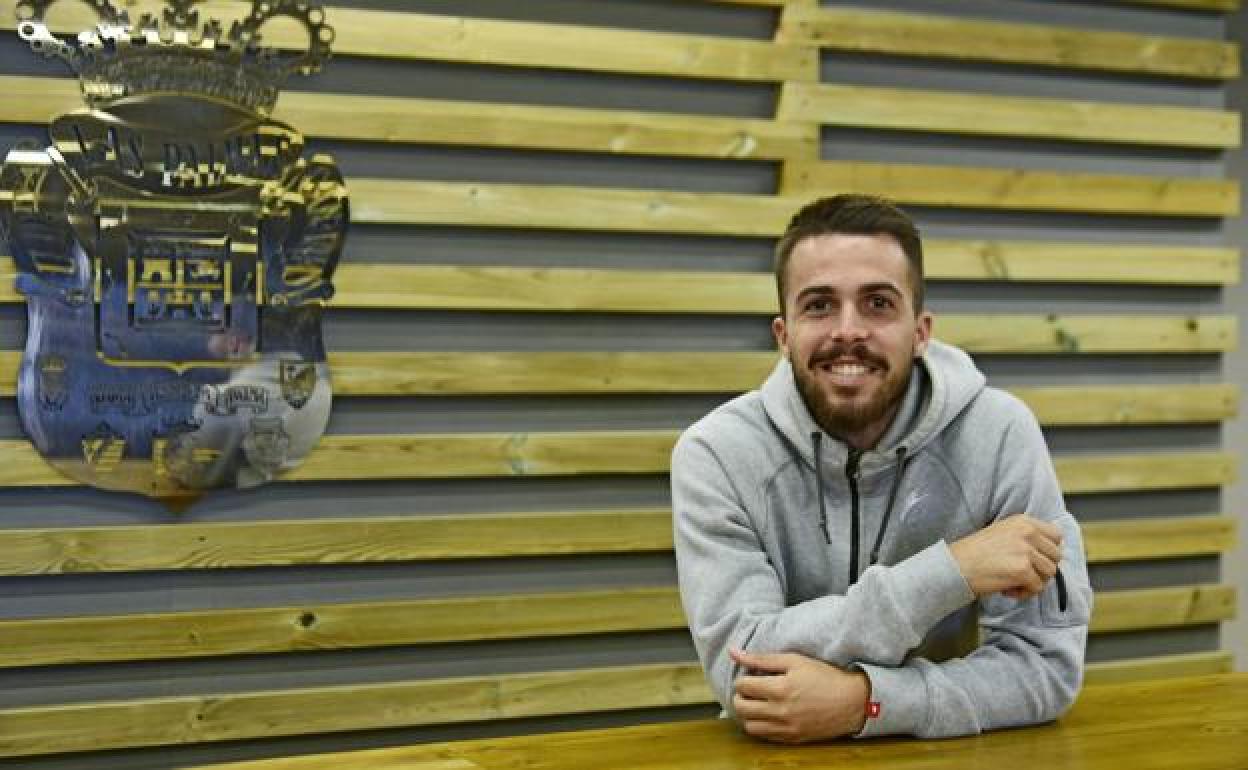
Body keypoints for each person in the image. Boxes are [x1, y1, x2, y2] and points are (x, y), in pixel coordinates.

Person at [671, 194, 1091, 743]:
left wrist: (866, 703)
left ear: (921, 332)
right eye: (819, 305)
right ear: (784, 335)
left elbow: (1045, 668)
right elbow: (745, 676)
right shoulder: (717, 453)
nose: (848, 331)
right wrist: (953, 571)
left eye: (878, 303)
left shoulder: (1000, 433)